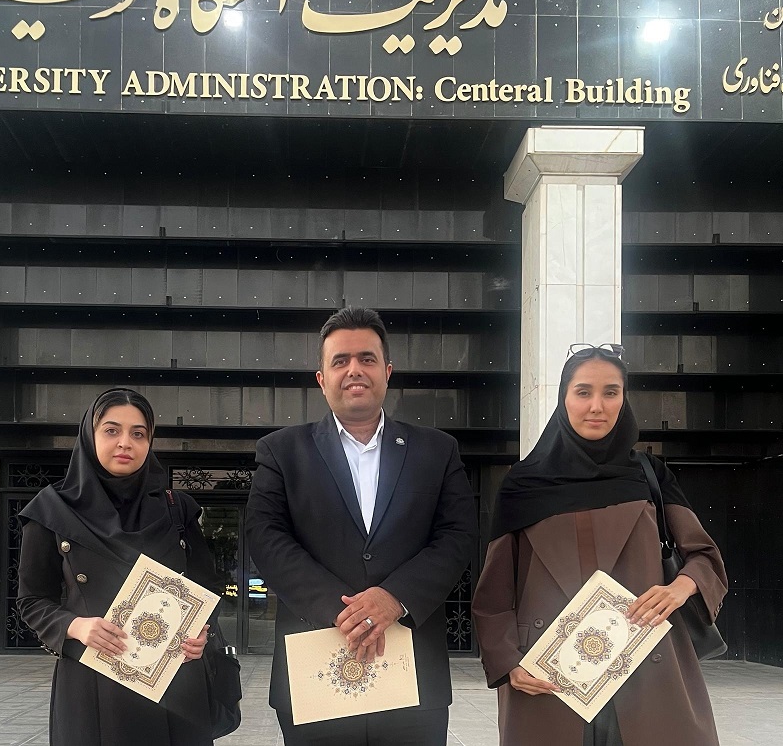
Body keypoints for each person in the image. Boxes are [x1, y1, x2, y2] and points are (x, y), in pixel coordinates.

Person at [472, 344, 727, 746]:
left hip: (647, 670)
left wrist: (680, 587)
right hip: (551, 677)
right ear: (564, 398)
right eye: (583, 392)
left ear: (624, 399)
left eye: (611, 392)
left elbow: (704, 556)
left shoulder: (650, 474)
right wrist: (508, 662)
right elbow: (494, 595)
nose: (597, 406)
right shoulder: (522, 483)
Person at [246, 306, 478, 746]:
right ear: (322, 379)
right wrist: (345, 612)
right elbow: (266, 537)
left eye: (367, 358)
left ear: (387, 371)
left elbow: (458, 535)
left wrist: (394, 598)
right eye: (341, 360)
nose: (354, 369)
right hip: (316, 670)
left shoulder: (437, 450)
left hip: (413, 676)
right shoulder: (281, 452)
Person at [17, 388, 218, 746]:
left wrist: (202, 633)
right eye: (111, 430)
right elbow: (32, 600)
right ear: (89, 435)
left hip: (174, 683)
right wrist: (76, 626)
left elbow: (207, 589)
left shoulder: (177, 509)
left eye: (138, 433)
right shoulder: (52, 511)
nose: (125, 442)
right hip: (92, 683)